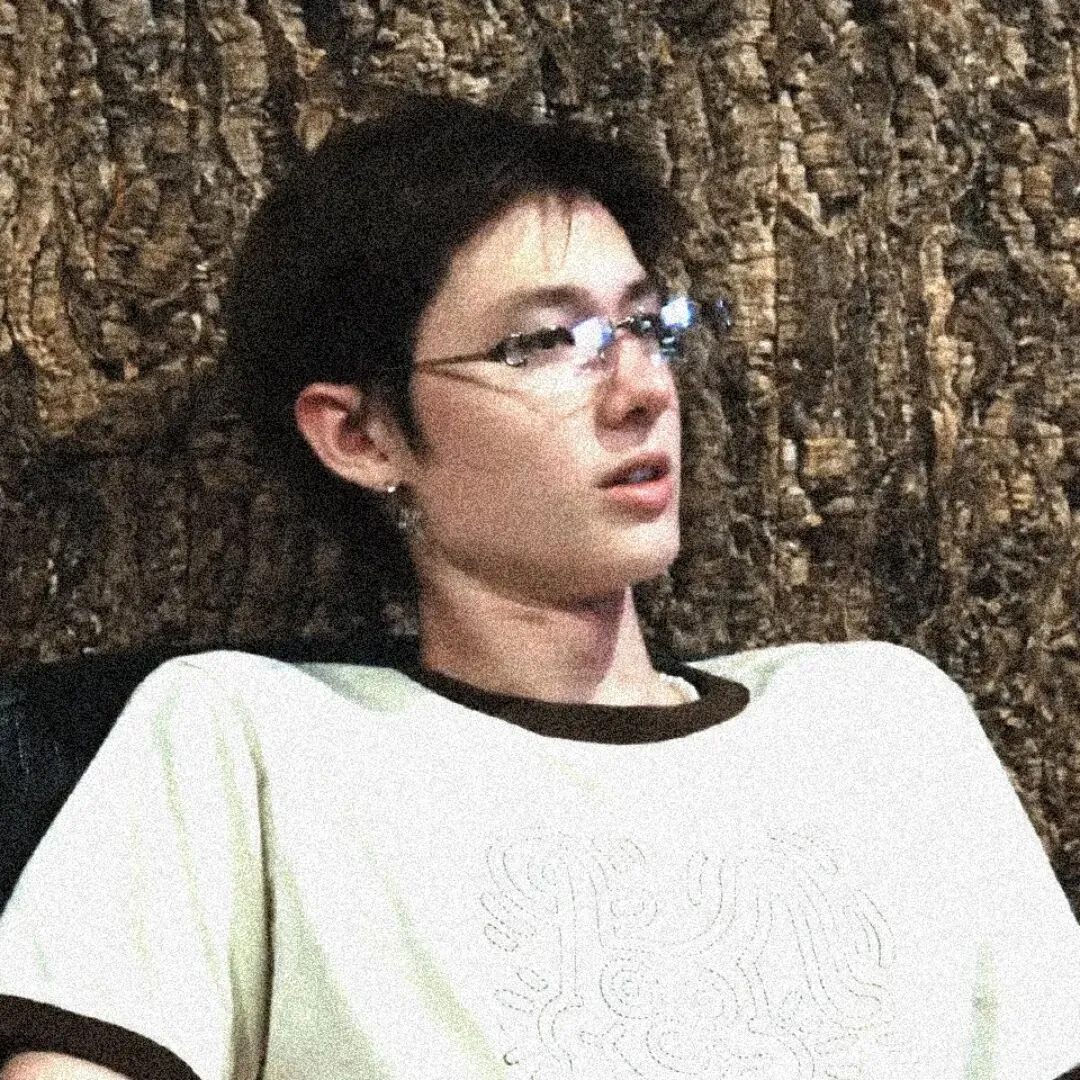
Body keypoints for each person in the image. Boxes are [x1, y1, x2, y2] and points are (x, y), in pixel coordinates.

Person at [0, 94, 1078, 1080]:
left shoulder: (878, 722)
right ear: (361, 435)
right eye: (547, 343)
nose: (641, 389)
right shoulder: (246, 741)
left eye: (647, 325)